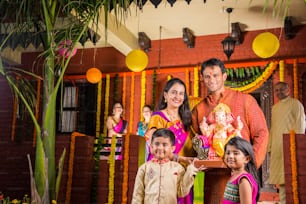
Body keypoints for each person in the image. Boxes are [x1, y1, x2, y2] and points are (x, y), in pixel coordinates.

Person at [191, 58, 269, 203]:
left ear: (224, 76)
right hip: (213, 180)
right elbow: (196, 143)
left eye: (215, 75)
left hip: (241, 178)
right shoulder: (199, 109)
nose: (211, 79)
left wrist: (250, 164)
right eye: (207, 76)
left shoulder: (245, 100)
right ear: (202, 79)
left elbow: (262, 133)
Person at [144, 77, 194, 203]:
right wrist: (182, 159)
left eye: (181, 93)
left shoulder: (186, 121)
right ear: (165, 95)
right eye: (174, 92)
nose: (177, 96)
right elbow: (158, 149)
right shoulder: (158, 117)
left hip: (183, 174)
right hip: (163, 173)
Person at [132, 128, 205, 204]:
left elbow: (182, 192)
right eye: (157, 144)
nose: (160, 148)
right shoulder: (144, 168)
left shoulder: (177, 168)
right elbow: (137, 195)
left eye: (164, 145)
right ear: (151, 147)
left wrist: (190, 171)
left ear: (172, 148)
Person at [268, 81, 305, 204]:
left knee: (292, 176)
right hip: (278, 147)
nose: (279, 92)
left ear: (288, 90)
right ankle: (283, 201)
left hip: (291, 146)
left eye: (281, 89)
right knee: (282, 178)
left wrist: (297, 146)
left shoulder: (295, 104)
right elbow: (273, 129)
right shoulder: (275, 108)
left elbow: (301, 125)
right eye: (276, 90)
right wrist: (270, 147)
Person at [222, 136, 260, 204]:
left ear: (247, 159)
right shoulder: (233, 176)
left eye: (235, 153)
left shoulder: (243, 180)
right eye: (228, 153)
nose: (230, 156)